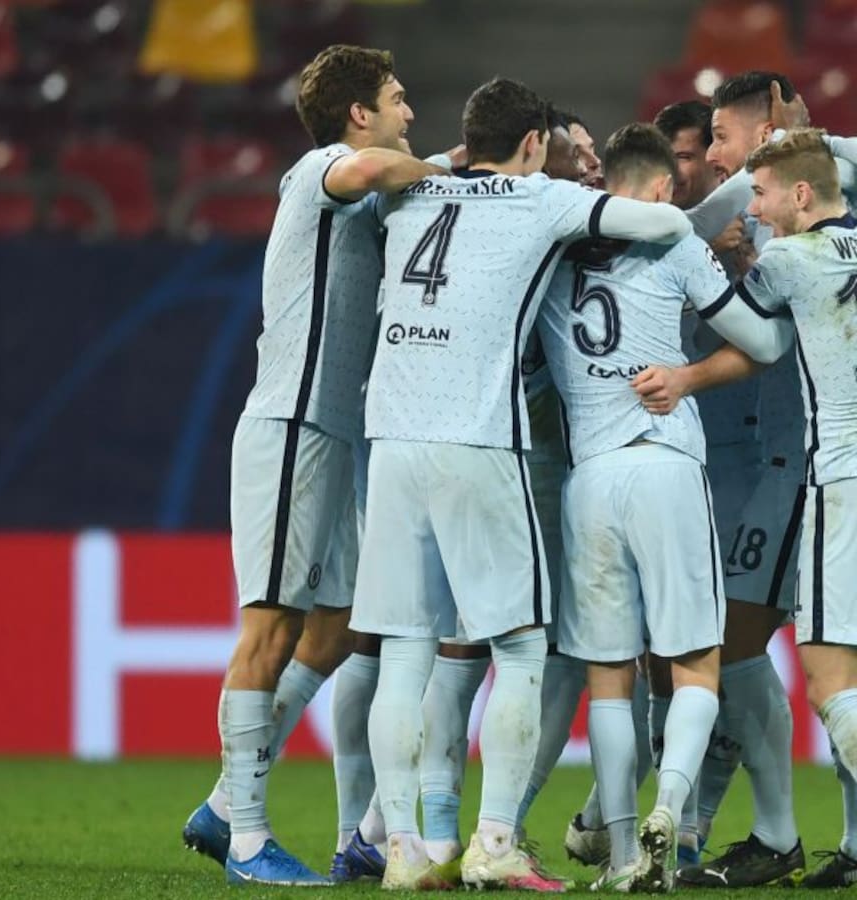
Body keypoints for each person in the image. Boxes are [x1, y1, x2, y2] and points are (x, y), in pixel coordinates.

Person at [350, 76, 692, 891]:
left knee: (405, 650)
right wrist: (570, 178)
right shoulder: (543, 200)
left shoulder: (412, 192)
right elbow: (665, 218)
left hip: (392, 440)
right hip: (478, 440)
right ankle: (494, 840)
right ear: (535, 142)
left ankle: (402, 849)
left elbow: (407, 177)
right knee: (522, 646)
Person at [179, 44, 448, 887]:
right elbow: (368, 168)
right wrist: (467, 159)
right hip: (294, 426)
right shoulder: (323, 168)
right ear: (359, 112)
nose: (409, 112)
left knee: (336, 629)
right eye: (397, 98)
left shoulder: (365, 193)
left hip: (338, 435)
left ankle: (224, 804)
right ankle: (249, 842)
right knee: (267, 630)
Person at [538, 123, 794, 892]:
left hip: (589, 482)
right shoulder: (677, 244)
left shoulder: (551, 252)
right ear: (656, 190)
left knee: (610, 678)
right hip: (666, 467)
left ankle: (619, 856)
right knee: (694, 666)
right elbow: (765, 344)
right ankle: (671, 812)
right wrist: (685, 375)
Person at [735, 127, 857, 890]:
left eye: (762, 193)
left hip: (842, 483)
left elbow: (749, 336)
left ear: (801, 195)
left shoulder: (786, 258)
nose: (754, 208)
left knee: (827, 680)